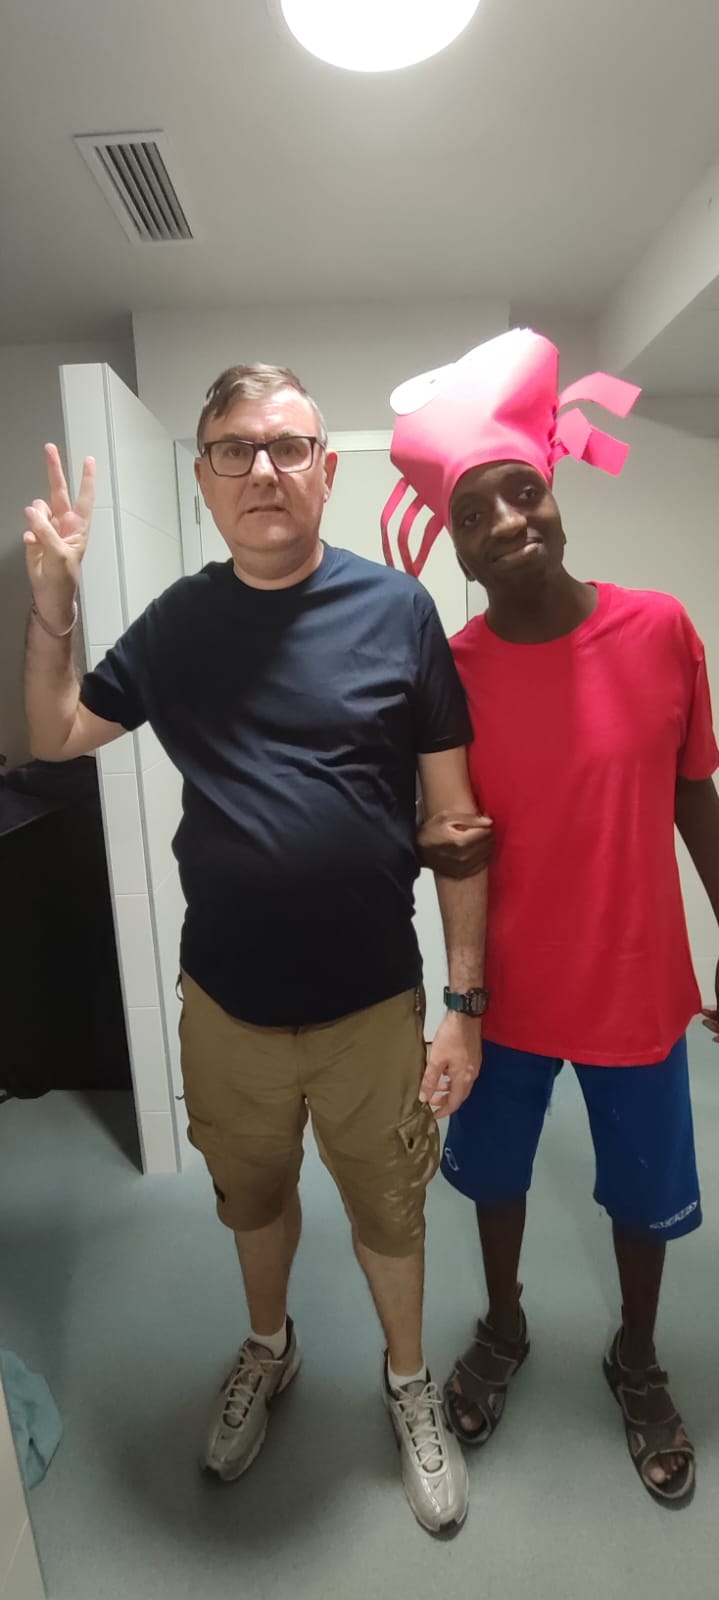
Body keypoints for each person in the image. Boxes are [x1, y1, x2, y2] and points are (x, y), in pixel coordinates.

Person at [22, 362, 494, 1535]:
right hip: (226, 1003)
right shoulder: (180, 622)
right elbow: (58, 731)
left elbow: (454, 821)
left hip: (371, 1006)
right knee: (251, 1194)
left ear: (326, 470)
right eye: (235, 449)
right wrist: (56, 607)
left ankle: (405, 1381)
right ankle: (269, 1347)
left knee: (390, 1207)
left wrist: (463, 1001)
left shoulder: (397, 611)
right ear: (205, 478)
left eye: (287, 447)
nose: (263, 470)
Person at [382, 329, 719, 1508]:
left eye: (521, 491)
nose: (508, 520)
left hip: (633, 982)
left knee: (642, 1195)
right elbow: (437, 827)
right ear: (453, 544)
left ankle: (636, 1355)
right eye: (475, 512)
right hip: (503, 994)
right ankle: (505, 1323)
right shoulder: (448, 673)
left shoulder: (660, 629)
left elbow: (693, 793)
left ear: (553, 491)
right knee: (492, 1178)